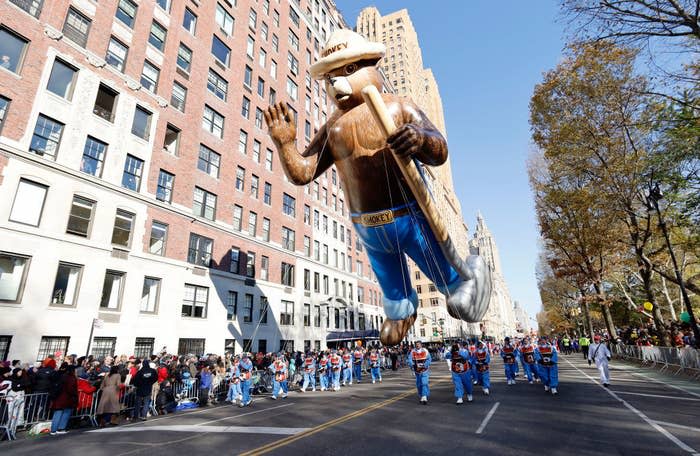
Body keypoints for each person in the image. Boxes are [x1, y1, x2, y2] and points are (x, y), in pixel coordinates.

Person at [264, 29, 492, 347]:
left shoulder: (399, 107)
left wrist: (419, 139)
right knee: (391, 283)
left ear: (372, 64)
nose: (337, 84)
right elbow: (304, 173)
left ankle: (468, 283)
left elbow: (439, 149)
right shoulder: (333, 126)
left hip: (410, 217)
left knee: (447, 279)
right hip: (367, 227)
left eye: (347, 71)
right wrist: (286, 143)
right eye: (330, 78)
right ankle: (401, 312)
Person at [50, 364, 78, 435]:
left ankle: (53, 429)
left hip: (59, 397)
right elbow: (70, 389)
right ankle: (61, 428)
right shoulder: (71, 378)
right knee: (66, 413)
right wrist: (75, 394)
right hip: (67, 398)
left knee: (57, 413)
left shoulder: (62, 376)